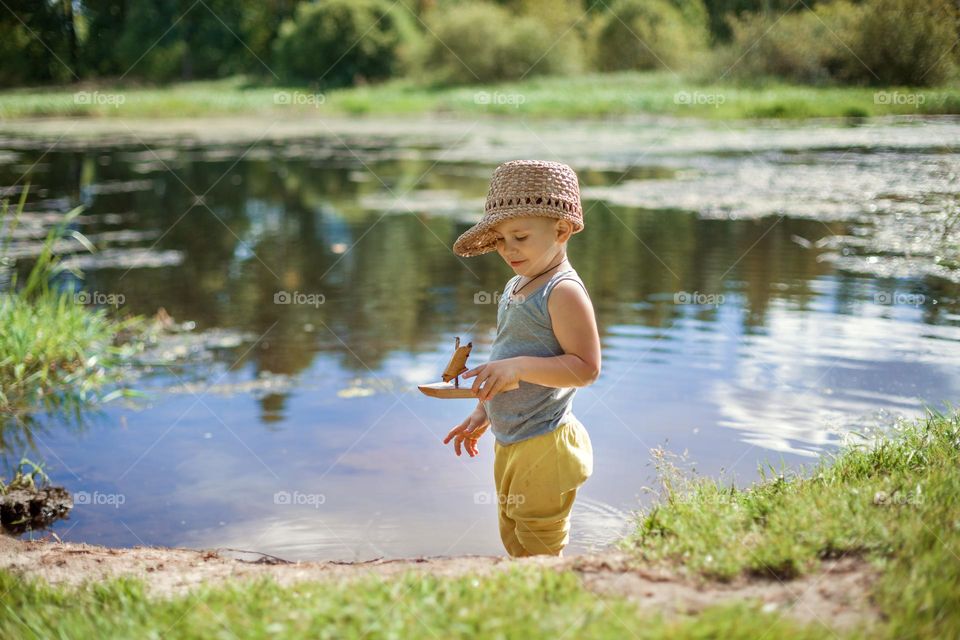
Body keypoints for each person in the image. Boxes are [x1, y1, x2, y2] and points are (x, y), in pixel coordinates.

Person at [442, 159, 600, 558]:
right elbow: (508, 353)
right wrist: (484, 412)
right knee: (513, 537)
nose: (507, 249)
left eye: (520, 236)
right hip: (511, 438)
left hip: (545, 443)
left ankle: (554, 607)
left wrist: (517, 367)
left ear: (561, 230)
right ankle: (526, 610)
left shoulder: (563, 291)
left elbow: (585, 368)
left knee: (540, 543)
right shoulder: (517, 284)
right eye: (498, 240)